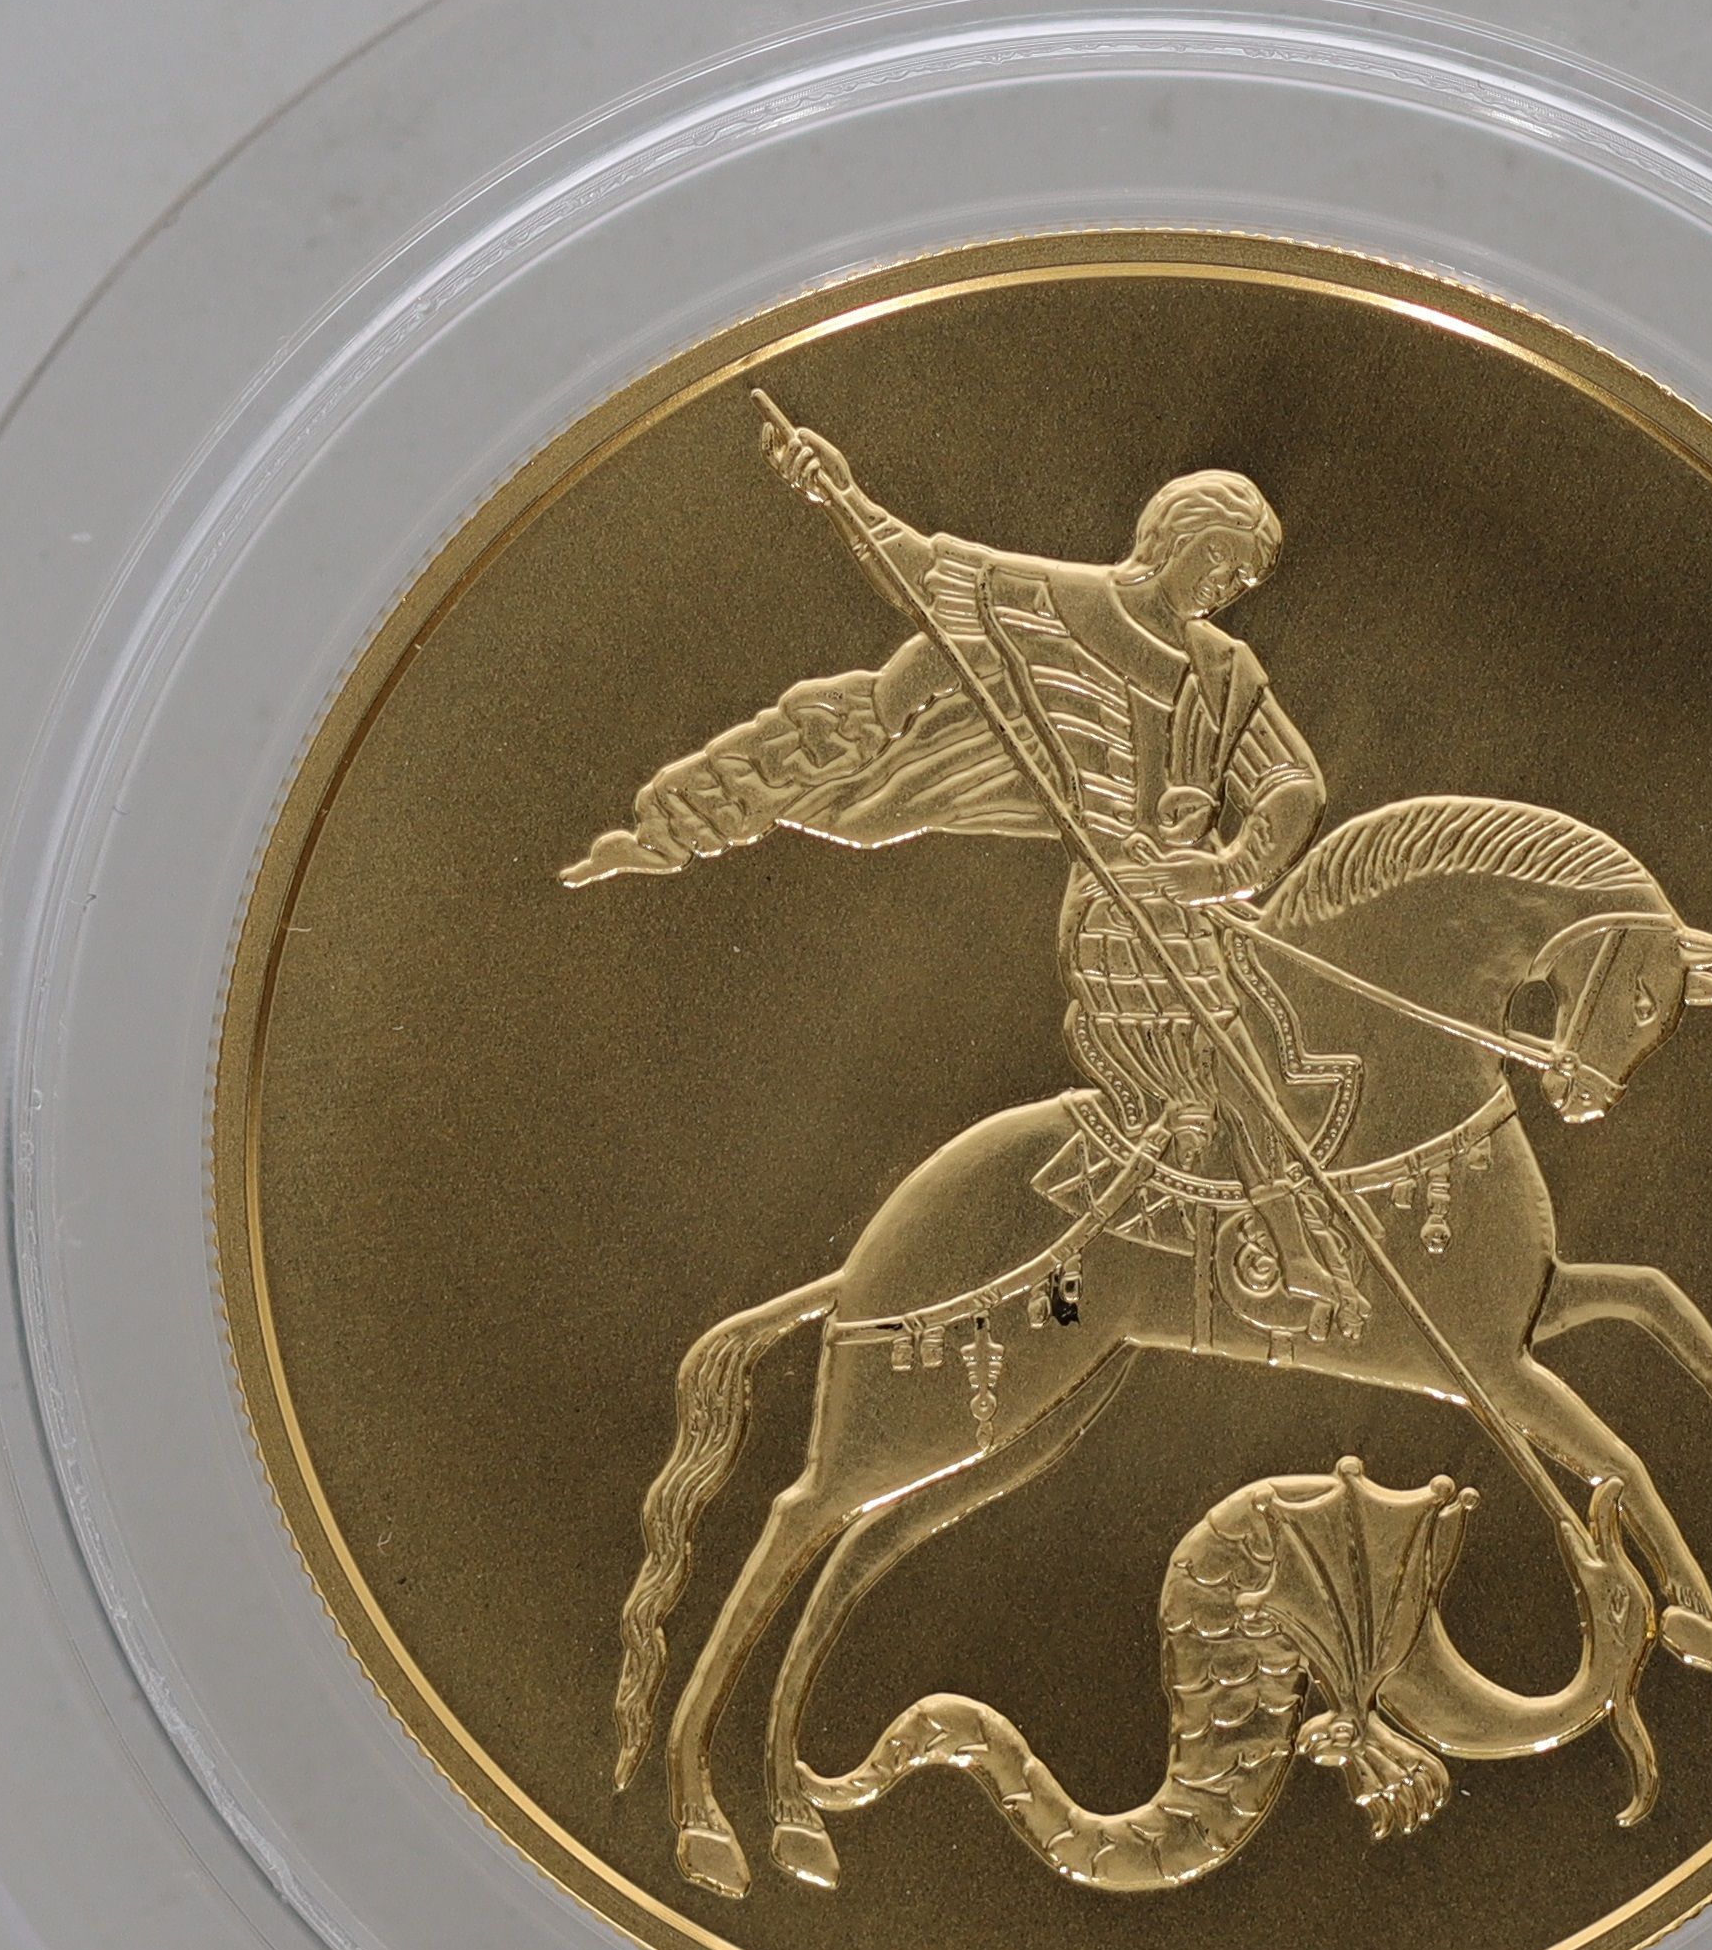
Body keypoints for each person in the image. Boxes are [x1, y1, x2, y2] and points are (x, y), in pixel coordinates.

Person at [566, 426, 1367, 1334]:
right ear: (1174, 536)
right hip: (1114, 910)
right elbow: (922, 573)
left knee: (1265, 1038)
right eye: (1219, 561)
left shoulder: (1225, 670)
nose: (1226, 588)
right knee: (1222, 1053)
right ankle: (1267, 1244)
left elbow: (1294, 784)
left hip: (1190, 904)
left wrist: (1228, 866)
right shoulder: (1055, 603)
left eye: (1242, 581)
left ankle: (1249, 1225)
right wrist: (839, 494)